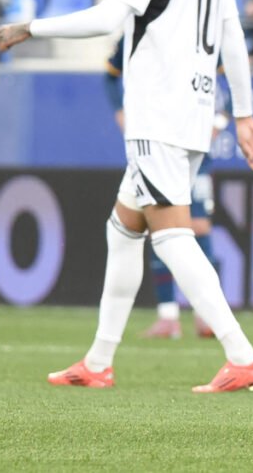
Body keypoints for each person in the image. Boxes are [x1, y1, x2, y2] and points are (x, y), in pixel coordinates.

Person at [0, 0, 253, 392]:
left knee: (171, 236)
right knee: (123, 230)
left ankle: (242, 355)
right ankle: (98, 362)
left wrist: (28, 28)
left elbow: (107, 18)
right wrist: (242, 113)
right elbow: (232, 37)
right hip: (191, 109)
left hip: (157, 111)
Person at [104, 36, 220, 339]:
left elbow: (232, 74)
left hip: (192, 144)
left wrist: (219, 121)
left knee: (199, 227)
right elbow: (109, 74)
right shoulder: (137, 30)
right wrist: (120, 110)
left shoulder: (199, 32)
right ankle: (168, 315)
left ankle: (207, 316)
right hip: (155, 144)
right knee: (157, 226)